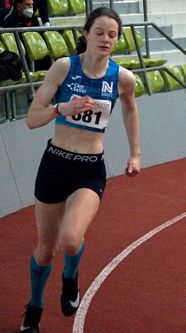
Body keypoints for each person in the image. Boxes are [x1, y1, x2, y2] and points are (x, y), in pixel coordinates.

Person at [20, 7, 141, 332]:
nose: (106, 39)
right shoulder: (64, 68)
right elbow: (33, 119)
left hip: (89, 168)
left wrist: (135, 153)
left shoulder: (122, 77)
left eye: (112, 35)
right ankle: (34, 306)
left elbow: (130, 110)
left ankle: (70, 276)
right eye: (99, 32)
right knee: (45, 250)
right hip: (55, 163)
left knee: (71, 239)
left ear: (118, 40)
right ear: (86, 34)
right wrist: (62, 107)